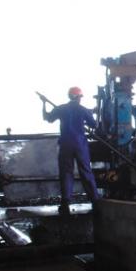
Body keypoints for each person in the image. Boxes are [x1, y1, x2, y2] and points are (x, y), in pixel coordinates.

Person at [42, 86, 100, 215]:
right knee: (86, 172)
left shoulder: (61, 109)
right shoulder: (83, 109)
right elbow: (94, 125)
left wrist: (44, 103)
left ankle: (65, 203)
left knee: (66, 173)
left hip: (65, 145)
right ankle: (95, 201)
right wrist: (93, 113)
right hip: (80, 145)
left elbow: (48, 118)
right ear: (79, 97)